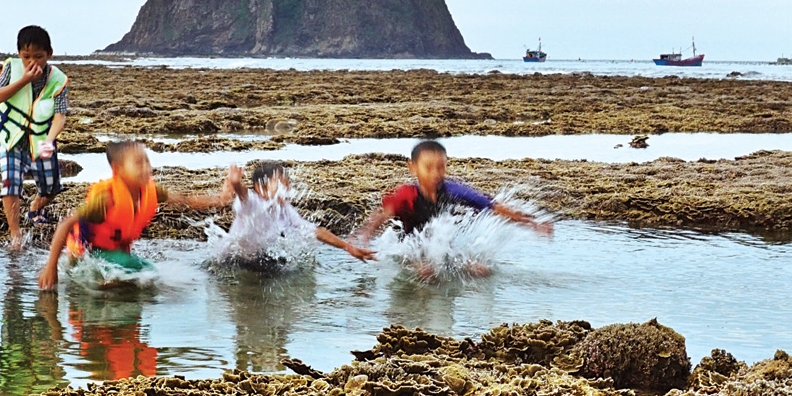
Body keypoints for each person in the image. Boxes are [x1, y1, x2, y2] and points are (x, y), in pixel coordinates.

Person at [38, 140, 233, 290]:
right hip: (87, 258)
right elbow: (65, 224)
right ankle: (101, 290)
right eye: (138, 163)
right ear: (118, 169)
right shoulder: (107, 199)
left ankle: (112, 287)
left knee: (145, 273)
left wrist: (221, 198)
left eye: (147, 161)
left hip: (114, 256)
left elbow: (185, 200)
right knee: (141, 274)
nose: (146, 168)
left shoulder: (149, 191)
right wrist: (51, 267)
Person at [353, 139, 552, 278]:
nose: (436, 173)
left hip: (442, 249)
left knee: (481, 271)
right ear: (412, 167)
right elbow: (383, 215)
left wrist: (532, 223)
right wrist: (364, 235)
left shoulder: (453, 190)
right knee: (427, 272)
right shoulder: (407, 195)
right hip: (408, 250)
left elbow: (494, 208)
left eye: (441, 167)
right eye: (428, 167)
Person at [0, 25, 68, 249]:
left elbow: (60, 116)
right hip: (12, 139)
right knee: (11, 184)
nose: (32, 61)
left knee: (51, 188)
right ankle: (16, 236)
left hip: (40, 141)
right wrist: (24, 79)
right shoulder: (11, 69)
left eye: (38, 56)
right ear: (18, 54)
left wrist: (50, 140)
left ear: (49, 54)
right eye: (26, 57)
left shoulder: (58, 80)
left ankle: (34, 209)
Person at [223, 161, 375, 265]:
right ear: (259, 187)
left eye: (287, 184)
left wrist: (348, 247)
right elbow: (243, 194)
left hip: (259, 258)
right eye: (280, 184)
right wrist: (236, 183)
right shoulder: (252, 202)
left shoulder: (284, 209)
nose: (286, 189)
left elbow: (315, 231)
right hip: (233, 260)